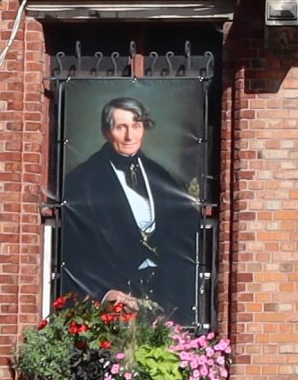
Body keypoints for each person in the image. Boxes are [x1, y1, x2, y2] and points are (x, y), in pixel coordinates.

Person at [58, 93, 203, 320]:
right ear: (106, 132)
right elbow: (74, 249)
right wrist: (103, 293)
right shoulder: (82, 180)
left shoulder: (159, 175)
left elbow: (184, 232)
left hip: (165, 293)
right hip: (114, 292)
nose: (129, 136)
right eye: (121, 128)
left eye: (136, 126)